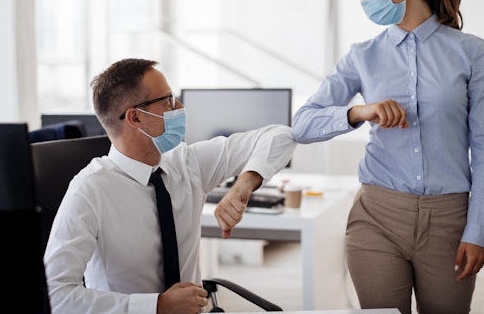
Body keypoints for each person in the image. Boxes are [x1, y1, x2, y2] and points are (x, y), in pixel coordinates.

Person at [291, 0, 484, 314]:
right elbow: (302, 125)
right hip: (376, 215)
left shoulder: (470, 52)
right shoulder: (362, 56)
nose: (365, 0)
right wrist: (359, 112)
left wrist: (478, 231)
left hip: (449, 219)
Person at [44, 58, 296, 314]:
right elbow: (56, 295)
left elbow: (282, 135)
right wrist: (156, 306)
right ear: (136, 117)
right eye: (168, 100)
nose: (180, 107)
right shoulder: (89, 191)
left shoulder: (187, 163)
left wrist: (245, 182)